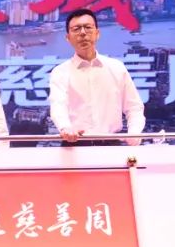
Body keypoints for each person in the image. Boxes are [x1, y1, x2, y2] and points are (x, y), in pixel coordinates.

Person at [48, 8, 144, 146]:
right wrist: (65, 127)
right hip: (74, 145)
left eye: (88, 27)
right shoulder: (60, 72)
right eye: (76, 29)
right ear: (68, 38)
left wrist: (134, 132)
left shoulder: (116, 68)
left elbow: (134, 106)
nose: (83, 33)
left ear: (97, 33)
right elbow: (58, 105)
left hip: (111, 145)